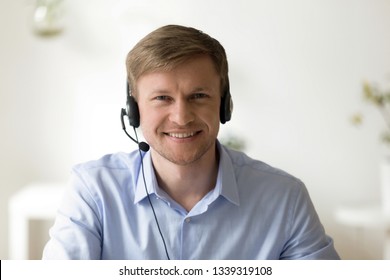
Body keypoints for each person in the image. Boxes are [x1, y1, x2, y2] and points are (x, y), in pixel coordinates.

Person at [42, 24, 340, 260]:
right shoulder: (93, 191)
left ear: (224, 105)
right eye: (162, 98)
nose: (181, 117)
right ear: (134, 111)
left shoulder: (285, 198)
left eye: (199, 96)